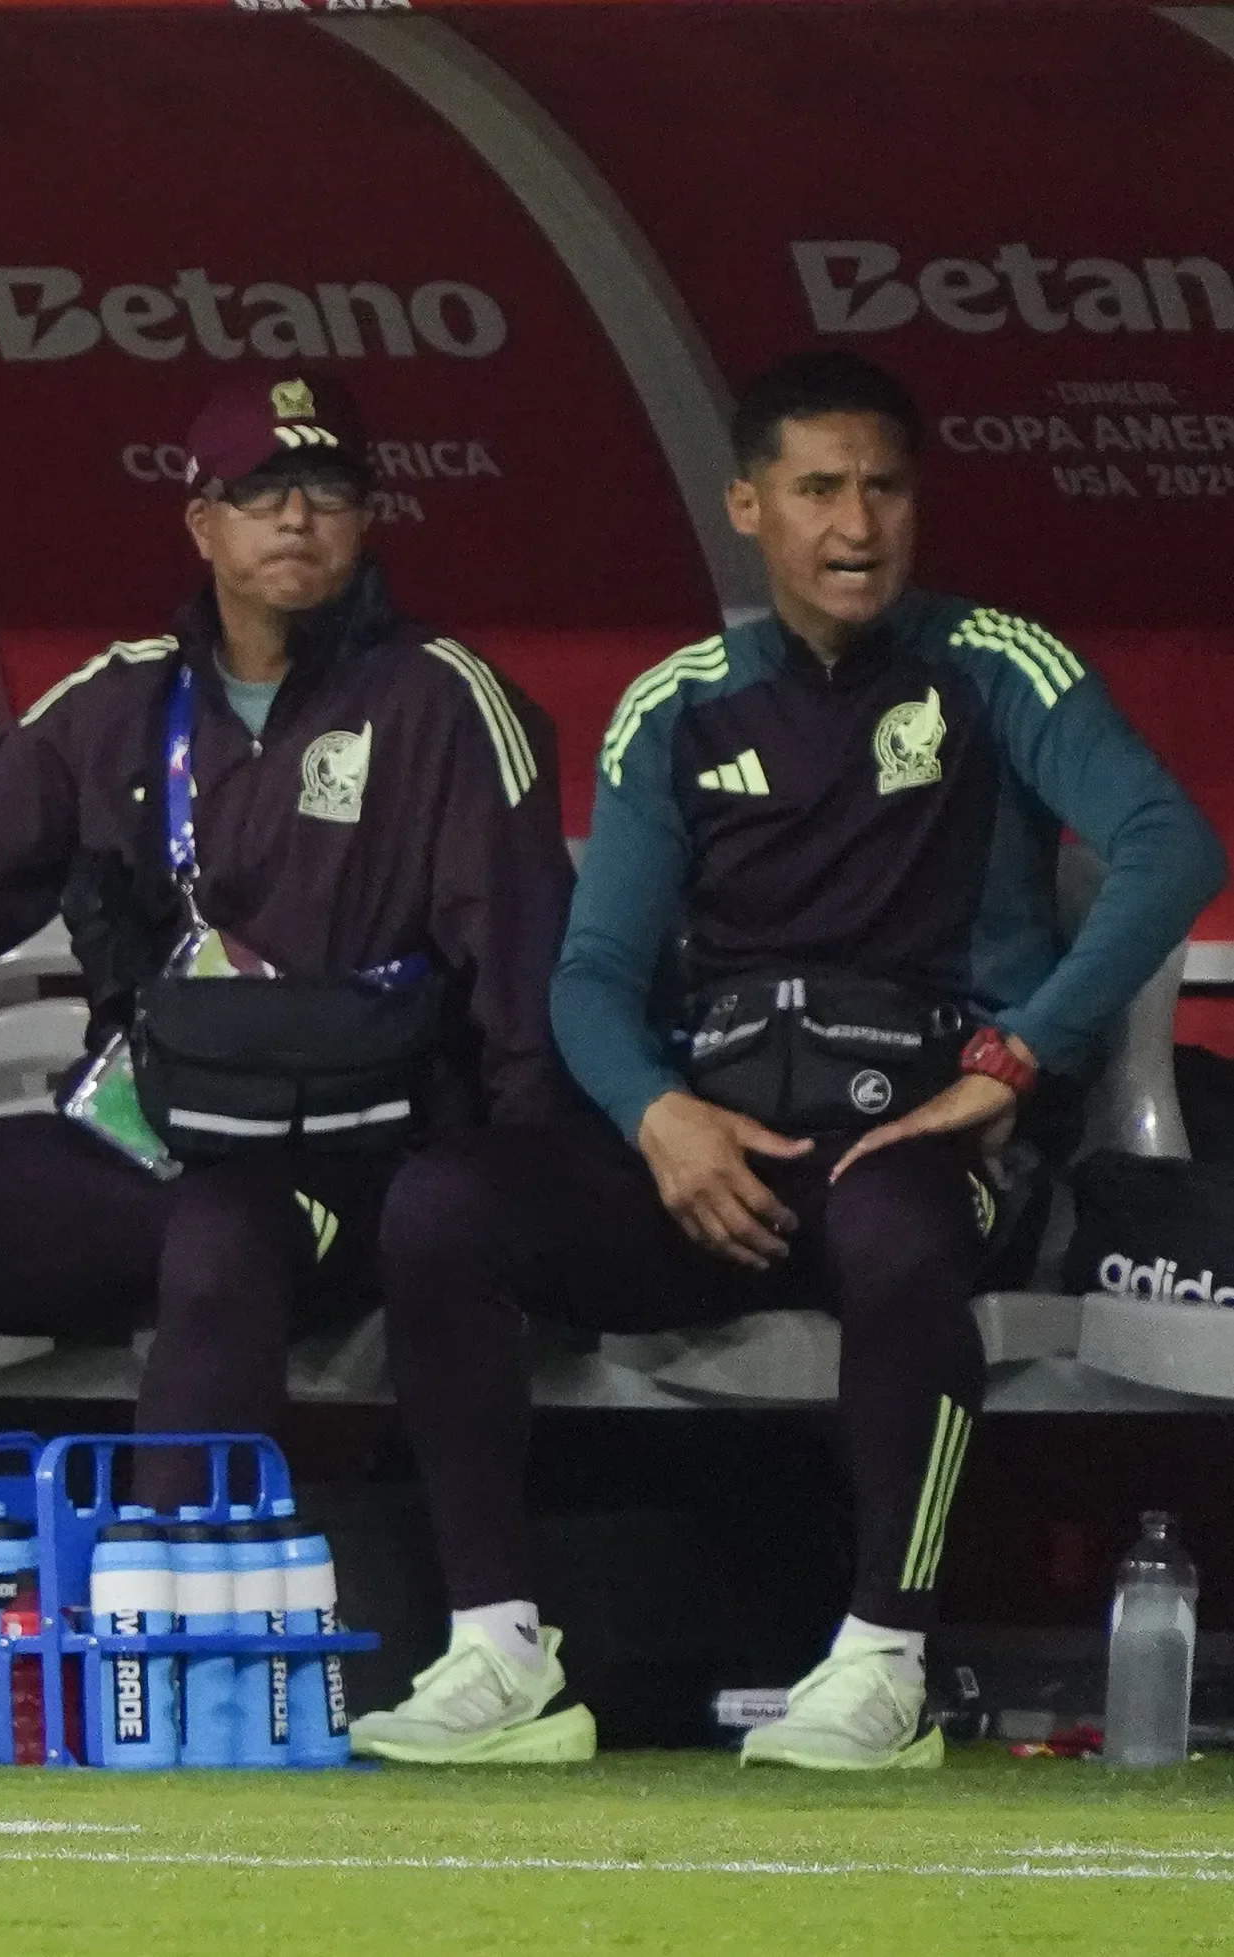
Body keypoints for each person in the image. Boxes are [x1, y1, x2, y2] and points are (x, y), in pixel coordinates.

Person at [356, 350, 1225, 1772]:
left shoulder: (998, 665)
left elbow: (1170, 848)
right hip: (722, 1165)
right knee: (442, 1208)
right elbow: (589, 977)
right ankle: (497, 1648)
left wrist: (1010, 1061)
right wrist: (659, 1120)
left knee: (899, 1225)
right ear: (747, 506)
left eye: (882, 488)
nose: (854, 525)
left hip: (913, 1151)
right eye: (817, 489)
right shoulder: (678, 703)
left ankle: (882, 1658)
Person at [0, 372, 578, 1619]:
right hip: (140, 1142)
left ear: (365, 520)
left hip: (356, 1175)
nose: (294, 519)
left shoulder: (445, 702)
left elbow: (523, 975)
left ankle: (166, 1640)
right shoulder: (121, 702)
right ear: (202, 524)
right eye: (259, 494)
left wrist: (526, 1202)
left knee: (222, 1235)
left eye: (326, 492)